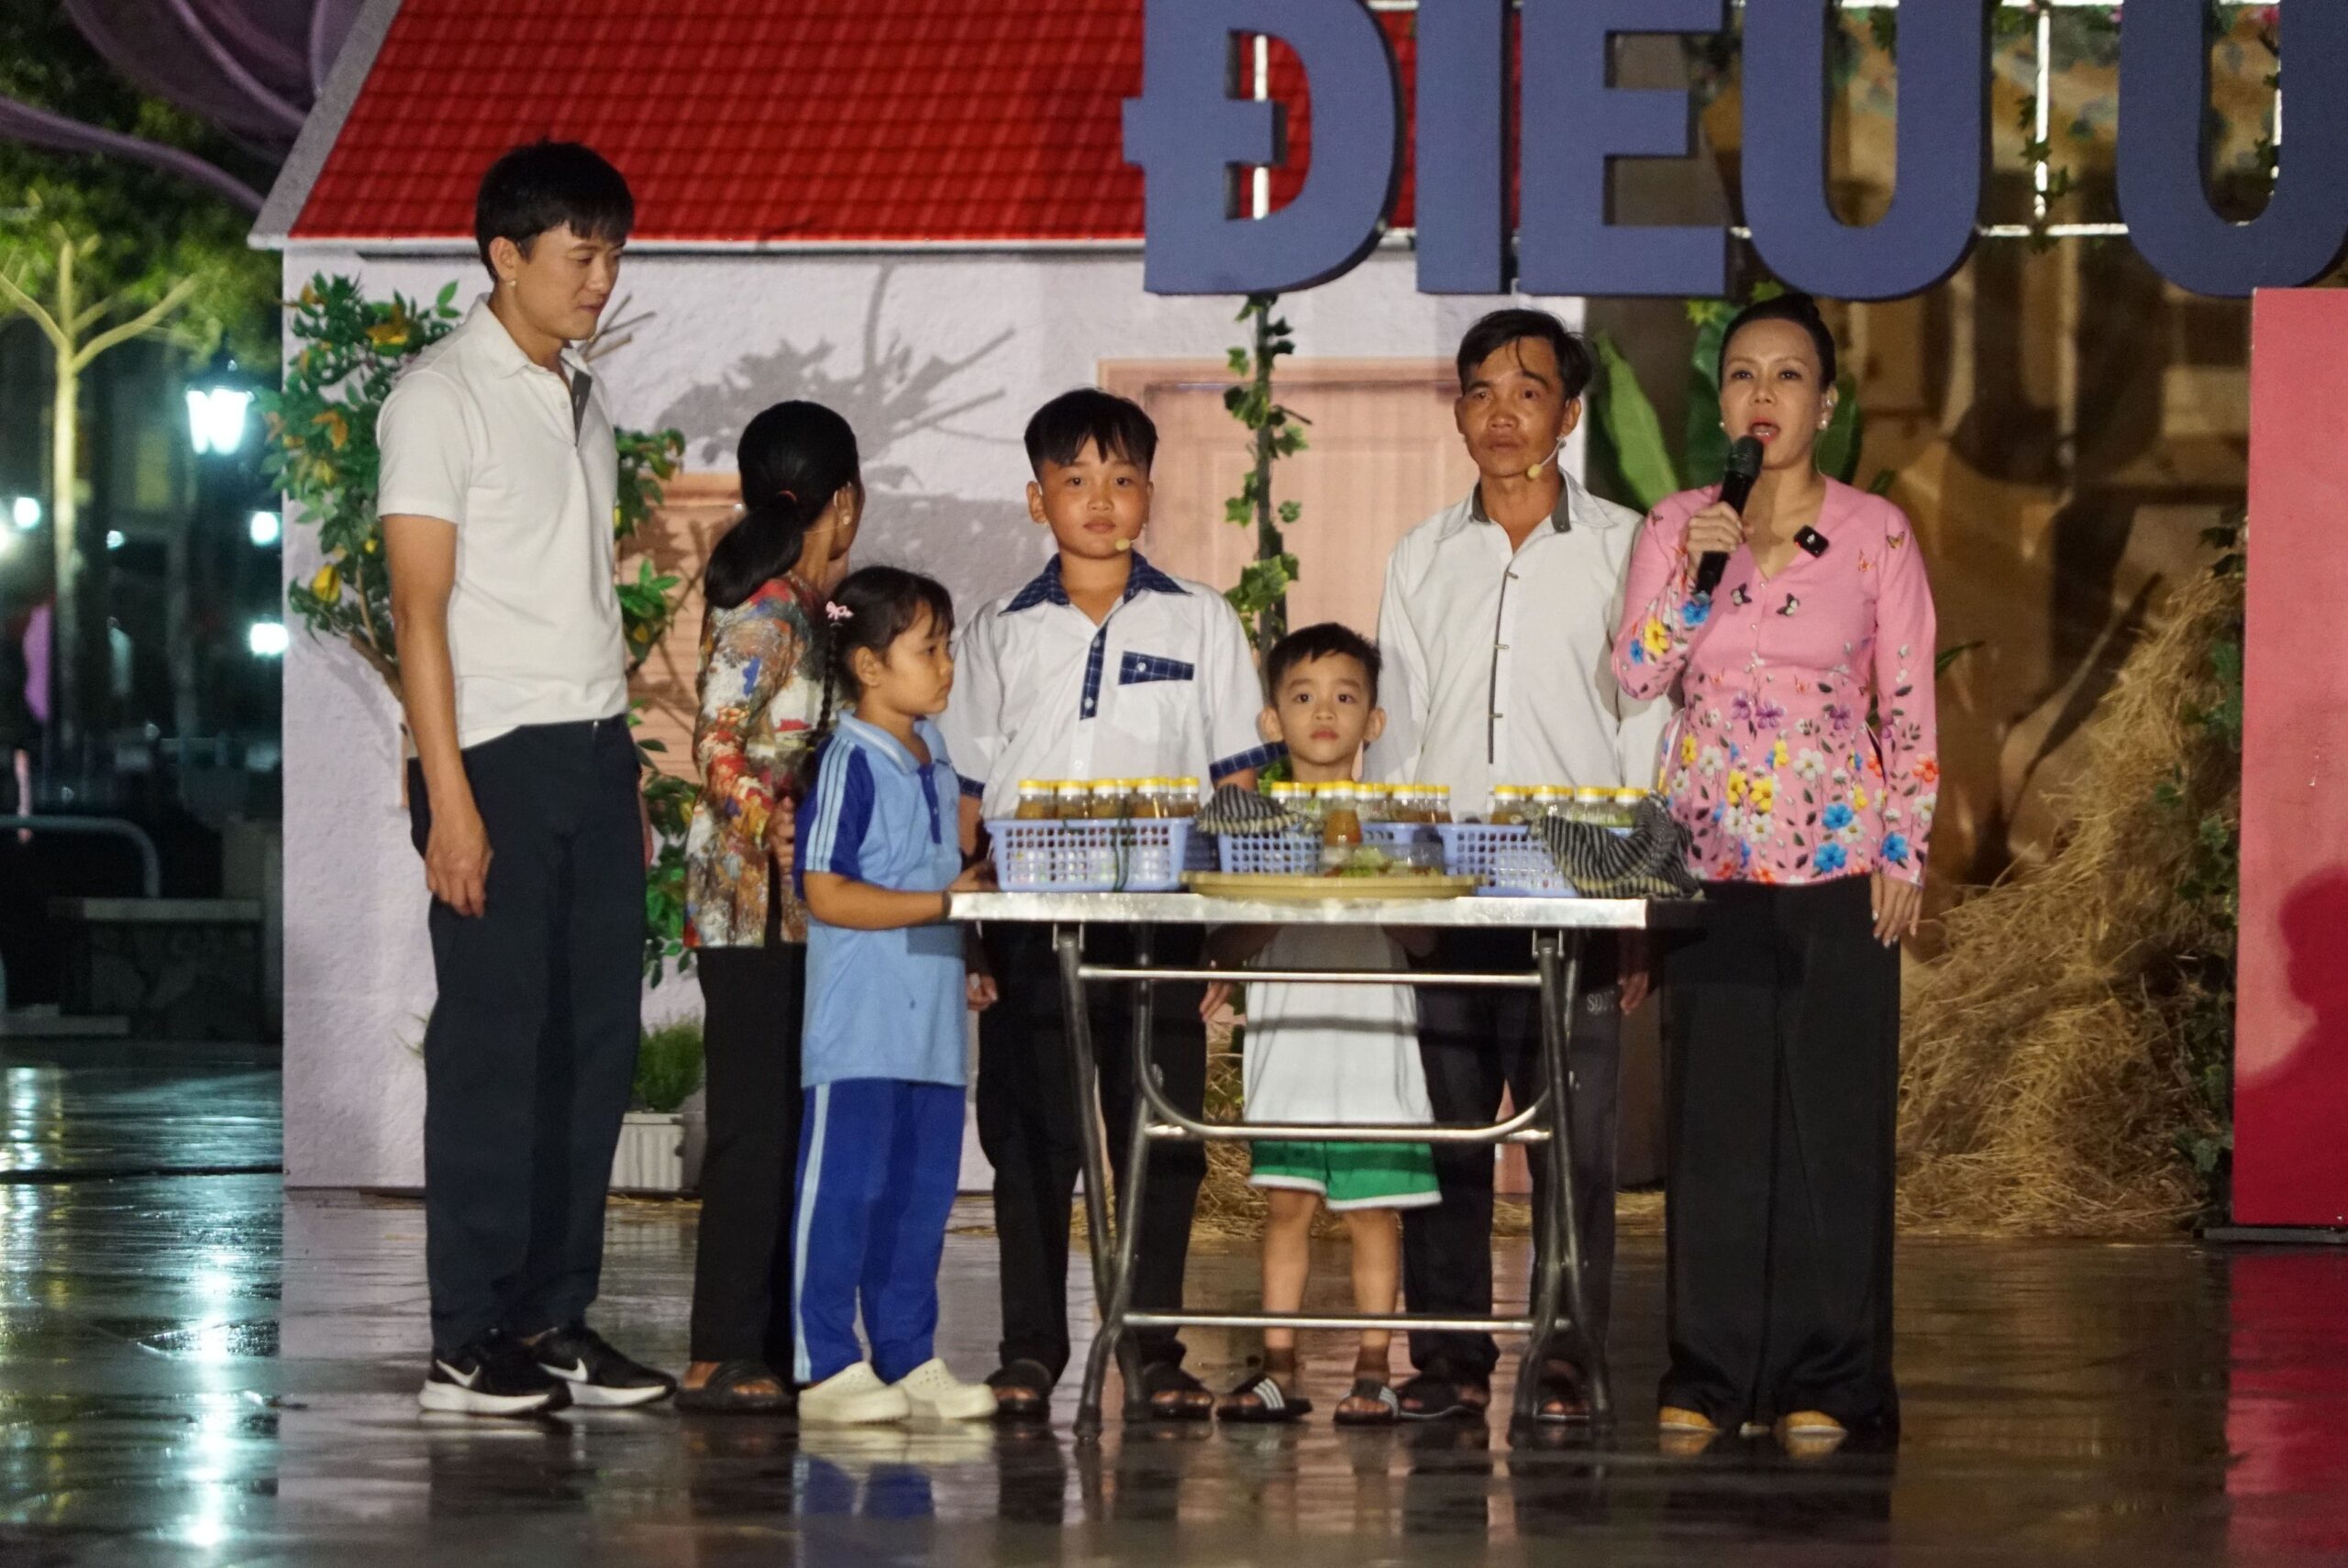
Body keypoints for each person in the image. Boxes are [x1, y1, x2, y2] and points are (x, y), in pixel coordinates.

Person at [1611, 291, 1936, 1452]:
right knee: (1717, 1127)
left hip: (1839, 859)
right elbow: (1636, 675)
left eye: (1788, 375)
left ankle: (1830, 1379)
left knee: (1829, 1126)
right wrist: (1694, 577)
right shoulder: (1676, 525)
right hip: (1708, 859)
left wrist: (1904, 847)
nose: (1763, 394)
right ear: (1721, 404)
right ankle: (1709, 1375)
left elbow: (1907, 700)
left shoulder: (1874, 533)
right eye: (1743, 374)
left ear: (1825, 403)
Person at [381, 141, 673, 1416]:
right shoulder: (438, 397)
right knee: (493, 1050)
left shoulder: (582, 396)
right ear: (506, 256)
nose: (601, 278)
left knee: (594, 1045)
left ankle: (554, 1316)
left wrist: (630, 774)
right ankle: (467, 1336)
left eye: (613, 254)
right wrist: (448, 796)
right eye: (580, 254)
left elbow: (580, 597)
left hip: (594, 753)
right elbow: (418, 608)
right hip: (492, 755)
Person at [941, 389, 1277, 1423]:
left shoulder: (1200, 618)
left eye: (1122, 479)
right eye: (1076, 480)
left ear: (1149, 494)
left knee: (1161, 1132)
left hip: (1160, 911)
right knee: (1030, 1134)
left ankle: (1151, 1348)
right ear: (1036, 498)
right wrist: (967, 935)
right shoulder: (999, 629)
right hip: (1027, 914)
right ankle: (1030, 1350)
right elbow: (966, 796)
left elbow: (1236, 783)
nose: (1100, 500)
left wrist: (1235, 927)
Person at [1366, 308, 1672, 1425]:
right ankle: (1447, 1360)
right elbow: (1397, 734)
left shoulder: (1628, 547)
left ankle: (1565, 1353)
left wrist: (1636, 902)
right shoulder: (1420, 554)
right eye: (1481, 391)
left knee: (1572, 1146)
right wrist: (1398, 879)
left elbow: (1647, 724)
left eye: (1527, 390)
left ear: (1569, 412)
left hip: (1577, 888)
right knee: (1448, 1134)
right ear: (1458, 412)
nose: (1502, 413)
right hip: (1447, 884)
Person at [674, 403, 863, 1413]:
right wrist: (779, 818)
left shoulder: (813, 609)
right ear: (846, 502)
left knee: (789, 1118)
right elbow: (716, 743)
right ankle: (716, 1350)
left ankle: (773, 1341)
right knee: (754, 1122)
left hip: (795, 905)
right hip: (749, 903)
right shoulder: (769, 610)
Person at [1202, 624, 1438, 1427]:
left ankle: (1374, 1368)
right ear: (1272, 720)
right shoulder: (1254, 826)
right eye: (1303, 697)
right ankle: (1278, 1368)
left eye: (1345, 696)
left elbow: (1427, 941)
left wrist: (1378, 872)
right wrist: (1282, 883)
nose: (1325, 713)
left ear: (1376, 720)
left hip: (1374, 1045)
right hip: (1290, 1044)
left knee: (1375, 1212)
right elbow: (1227, 942)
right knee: (1288, 1208)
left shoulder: (1400, 821)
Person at [789, 565, 999, 1426]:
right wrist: (946, 905)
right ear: (869, 666)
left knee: (920, 1198)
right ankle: (824, 1361)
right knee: (846, 1191)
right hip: (861, 1029)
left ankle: (908, 1354)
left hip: (932, 1029)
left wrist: (969, 939)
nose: (947, 666)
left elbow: (944, 871)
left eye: (947, 647)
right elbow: (825, 891)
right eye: (929, 649)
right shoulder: (850, 759)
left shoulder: (935, 753)